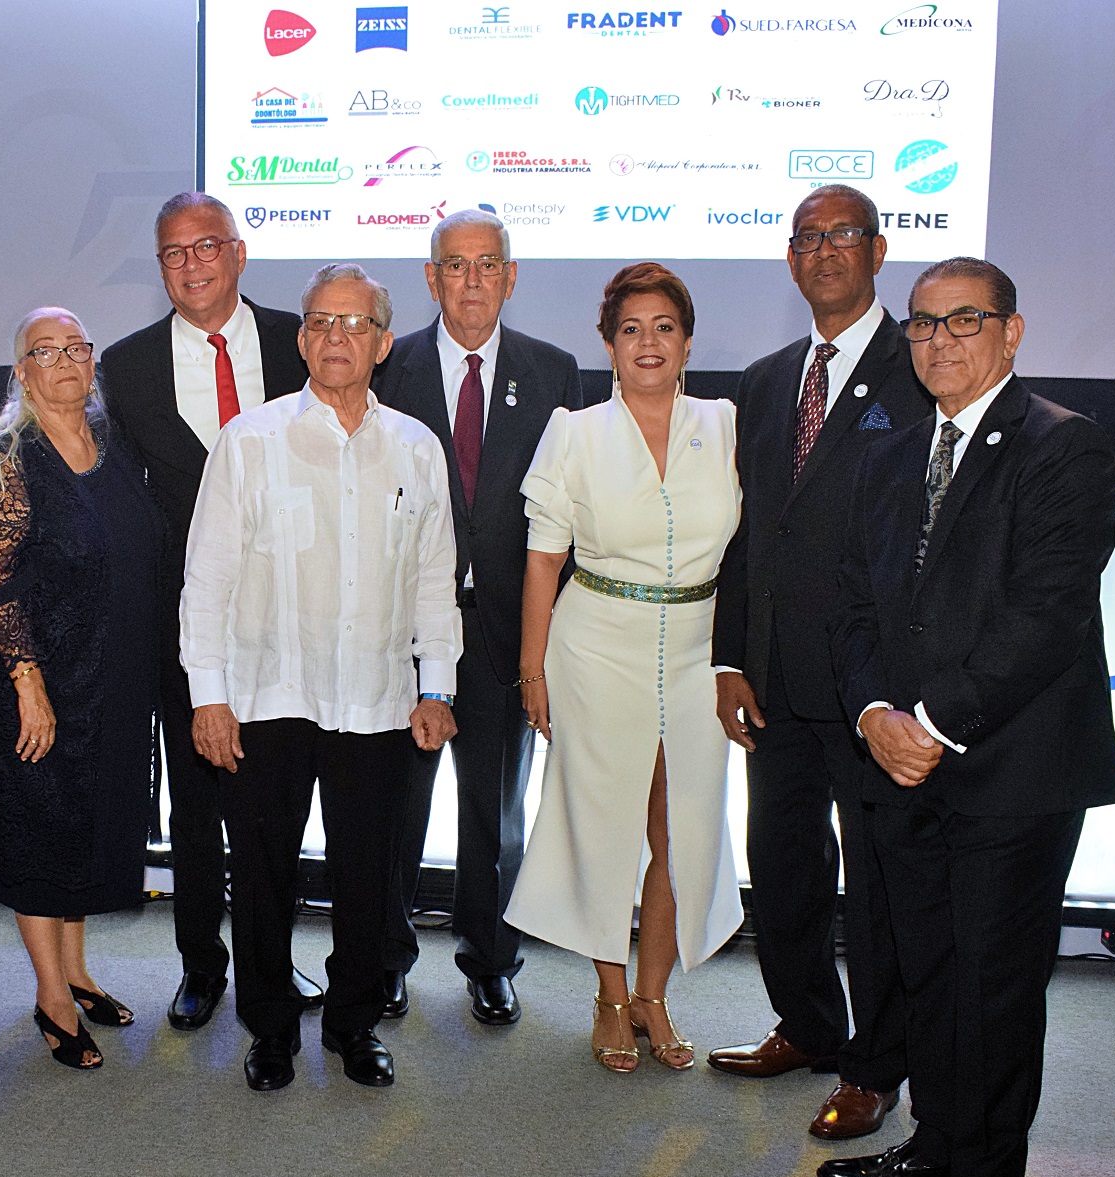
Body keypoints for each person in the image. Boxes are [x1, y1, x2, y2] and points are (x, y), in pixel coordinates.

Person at [821, 258, 1115, 1177]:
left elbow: (1046, 614)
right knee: (926, 969)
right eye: (922, 323)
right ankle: (938, 1143)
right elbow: (853, 605)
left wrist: (929, 724)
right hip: (899, 764)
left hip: (1010, 768)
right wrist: (873, 712)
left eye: (964, 320)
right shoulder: (886, 456)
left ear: (1011, 331)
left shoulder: (1062, 445)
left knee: (992, 985)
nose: (939, 340)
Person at [180, 263, 460, 1092]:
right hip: (268, 694)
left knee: (368, 875)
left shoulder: (417, 446)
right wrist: (208, 696)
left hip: (377, 699)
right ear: (302, 340)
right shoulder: (250, 440)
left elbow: (434, 578)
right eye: (320, 323)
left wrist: (437, 686)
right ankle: (270, 1029)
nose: (336, 337)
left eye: (354, 323)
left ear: (383, 342)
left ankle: (353, 1023)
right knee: (262, 873)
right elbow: (207, 579)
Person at [707, 185, 933, 1139]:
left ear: (877, 251)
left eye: (844, 235)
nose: (825, 251)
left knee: (877, 885)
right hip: (775, 680)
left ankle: (875, 1067)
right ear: (791, 259)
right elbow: (749, 530)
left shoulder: (920, 366)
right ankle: (806, 1025)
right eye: (808, 238)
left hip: (872, 685)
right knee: (784, 865)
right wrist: (729, 659)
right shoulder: (765, 381)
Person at [503, 262, 743, 1074]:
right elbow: (543, 559)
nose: (648, 343)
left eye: (664, 328)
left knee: (681, 830)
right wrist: (532, 667)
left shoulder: (726, 425)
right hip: (596, 646)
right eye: (631, 329)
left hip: (698, 652)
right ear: (608, 344)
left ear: (687, 342)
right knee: (604, 825)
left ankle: (653, 994)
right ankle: (610, 995)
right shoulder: (574, 432)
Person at [101, 192, 316, 1031]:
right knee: (194, 809)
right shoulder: (125, 366)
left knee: (277, 809)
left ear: (238, 253)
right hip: (180, 624)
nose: (190, 265)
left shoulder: (301, 342)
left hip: (289, 618)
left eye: (206, 247)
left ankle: (274, 959)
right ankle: (200, 965)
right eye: (173, 253)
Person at [374, 208, 583, 1027]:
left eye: (487, 264)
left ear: (510, 275)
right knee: (397, 806)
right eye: (455, 265)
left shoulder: (553, 371)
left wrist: (549, 644)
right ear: (431, 279)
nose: (471, 280)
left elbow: (567, 512)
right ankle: (384, 958)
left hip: (506, 629)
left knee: (495, 813)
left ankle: (491, 960)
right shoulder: (388, 364)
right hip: (405, 633)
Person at [0, 308, 163, 1070]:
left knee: (85, 826)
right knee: (43, 831)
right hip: (39, 682)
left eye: (77, 347)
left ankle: (77, 972)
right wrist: (27, 683)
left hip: (109, 678)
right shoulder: (7, 456)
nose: (65, 362)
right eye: (45, 352)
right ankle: (51, 995)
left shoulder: (112, 440)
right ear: (21, 372)